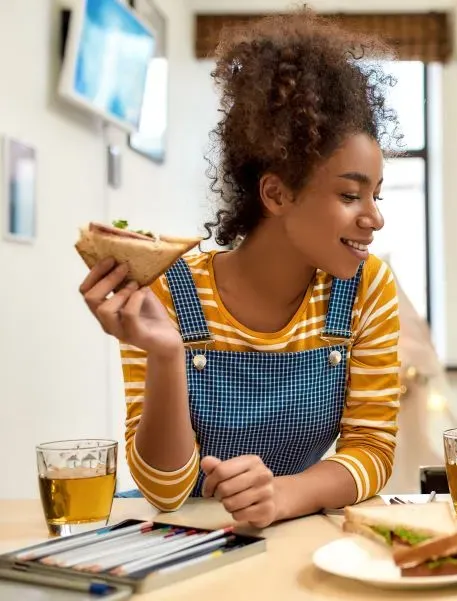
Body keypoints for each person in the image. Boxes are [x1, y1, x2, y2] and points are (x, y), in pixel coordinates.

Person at [77, 10, 402, 528]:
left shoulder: (367, 287)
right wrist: (164, 353)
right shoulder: (167, 288)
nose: (375, 217)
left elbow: (372, 450)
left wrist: (285, 495)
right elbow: (163, 490)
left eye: (376, 194)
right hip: (186, 538)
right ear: (276, 193)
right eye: (349, 194)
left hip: (298, 532)